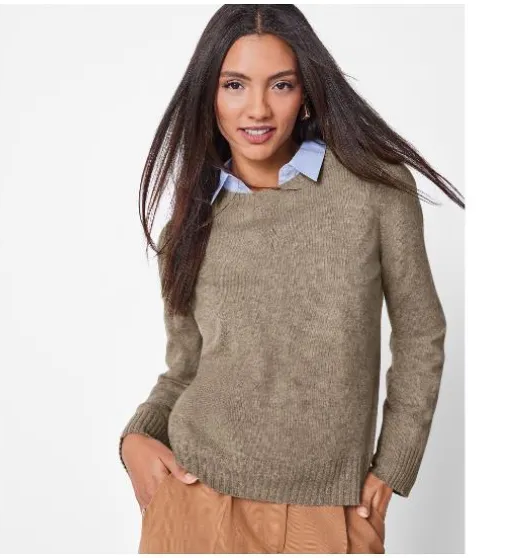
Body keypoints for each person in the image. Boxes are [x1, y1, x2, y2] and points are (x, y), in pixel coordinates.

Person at [118, 4, 463, 554]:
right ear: (209, 95)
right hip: (193, 504)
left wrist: (392, 466)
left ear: (305, 95)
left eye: (281, 85)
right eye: (234, 85)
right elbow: (184, 369)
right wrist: (135, 438)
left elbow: (422, 334)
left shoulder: (376, 191)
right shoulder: (188, 225)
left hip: (327, 512)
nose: (257, 108)